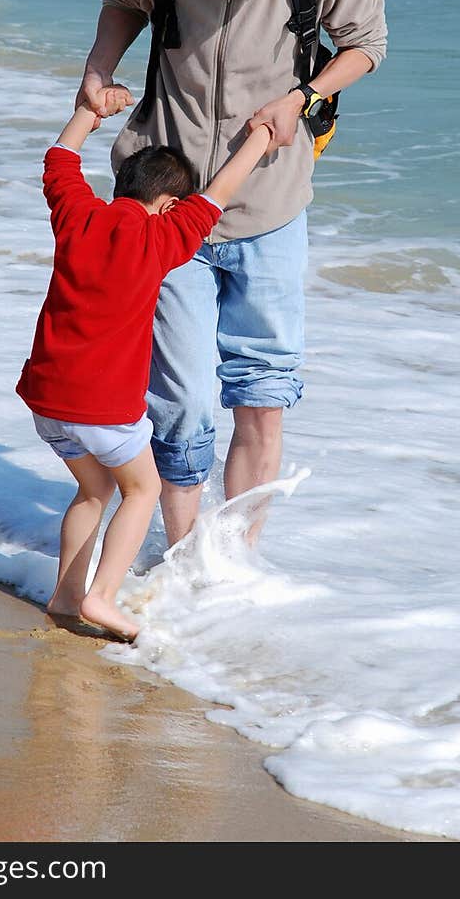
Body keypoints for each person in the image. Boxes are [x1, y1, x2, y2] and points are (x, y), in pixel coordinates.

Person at [77, 0, 387, 548]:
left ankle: (235, 564)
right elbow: (124, 2)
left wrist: (303, 96)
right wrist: (98, 71)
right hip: (165, 209)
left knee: (263, 396)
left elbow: (368, 43)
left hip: (269, 206)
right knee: (181, 404)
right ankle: (188, 557)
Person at [15, 89, 280, 641]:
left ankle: (65, 596)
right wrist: (261, 136)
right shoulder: (163, 236)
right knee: (142, 489)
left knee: (93, 491)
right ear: (167, 205)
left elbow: (58, 161)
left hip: (46, 399)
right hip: (103, 406)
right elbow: (220, 192)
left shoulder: (77, 214)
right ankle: (102, 598)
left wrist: (90, 110)